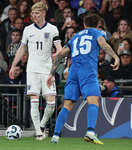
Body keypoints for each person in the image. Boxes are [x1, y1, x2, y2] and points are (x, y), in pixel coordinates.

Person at [46, 14, 120, 144]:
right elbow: (103, 43)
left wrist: (51, 73)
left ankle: (55, 136)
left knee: (67, 106)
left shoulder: (75, 37)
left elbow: (60, 54)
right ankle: (90, 132)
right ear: (97, 24)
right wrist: (115, 56)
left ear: (84, 25)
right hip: (87, 71)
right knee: (94, 101)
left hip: (73, 71)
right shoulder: (98, 32)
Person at [9, 2, 62, 140]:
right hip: (32, 70)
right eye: (32, 13)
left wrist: (60, 53)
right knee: (34, 100)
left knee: (51, 104)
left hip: (47, 71)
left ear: (43, 14)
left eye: (37, 13)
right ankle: (39, 132)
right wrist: (13, 65)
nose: (34, 16)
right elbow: (22, 48)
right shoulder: (27, 30)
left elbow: (59, 47)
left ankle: (42, 125)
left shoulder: (52, 29)